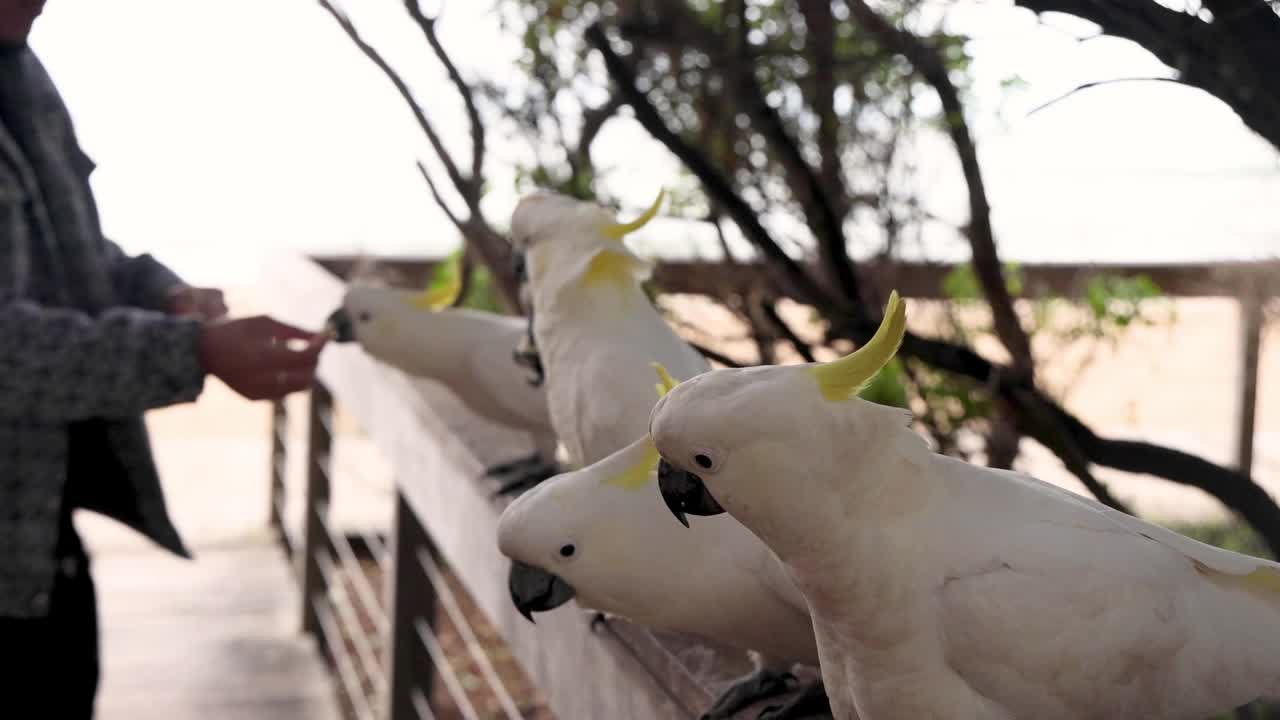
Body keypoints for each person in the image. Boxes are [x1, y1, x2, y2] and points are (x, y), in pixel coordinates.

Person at [0, 1, 328, 716]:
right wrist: (194, 350)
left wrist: (163, 291)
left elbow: (69, 251)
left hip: (38, 554)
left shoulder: (21, 69)